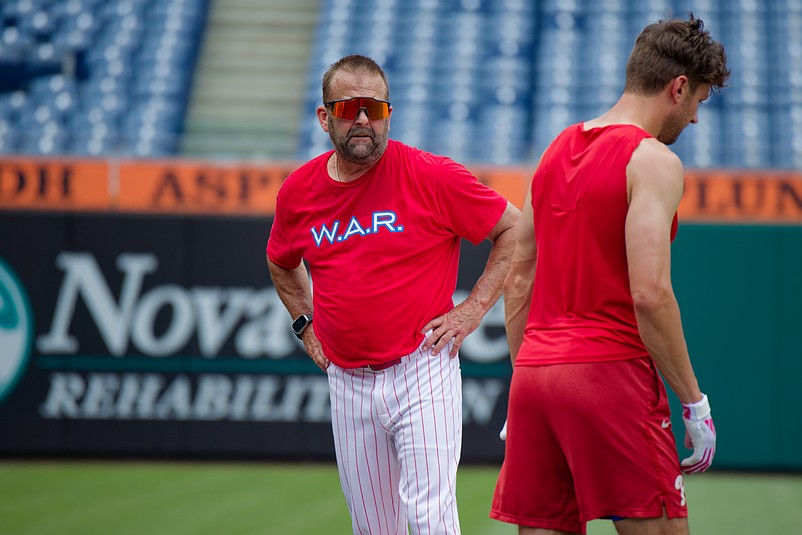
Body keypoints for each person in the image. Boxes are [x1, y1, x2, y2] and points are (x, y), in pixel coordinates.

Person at [491, 15, 729, 535]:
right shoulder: (653, 161)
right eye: (698, 103)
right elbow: (650, 294)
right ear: (679, 87)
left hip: (534, 377)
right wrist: (694, 402)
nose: (692, 120)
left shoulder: (553, 151)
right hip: (610, 376)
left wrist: (526, 379)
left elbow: (517, 280)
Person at [267, 54, 520, 535]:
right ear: (324, 117)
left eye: (375, 109)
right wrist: (305, 323)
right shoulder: (298, 192)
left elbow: (515, 229)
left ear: (389, 114)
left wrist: (472, 311)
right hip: (347, 380)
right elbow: (281, 261)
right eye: (349, 107)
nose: (363, 119)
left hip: (422, 367)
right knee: (375, 528)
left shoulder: (431, 174)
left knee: (430, 519)